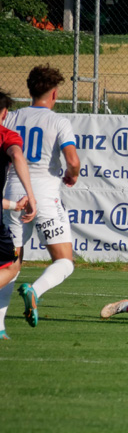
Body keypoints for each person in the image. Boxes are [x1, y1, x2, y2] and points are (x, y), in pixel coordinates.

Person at [2, 65, 80, 328]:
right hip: (45, 196)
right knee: (64, 261)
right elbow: (73, 160)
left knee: (10, 264)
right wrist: (72, 174)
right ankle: (34, 290)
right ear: (54, 94)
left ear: (29, 90)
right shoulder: (58, 121)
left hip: (14, 194)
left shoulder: (11, 118)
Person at [0, 90, 38, 340]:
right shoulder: (6, 135)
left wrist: (13, 205)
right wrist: (30, 196)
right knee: (12, 266)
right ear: (4, 113)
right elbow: (16, 154)